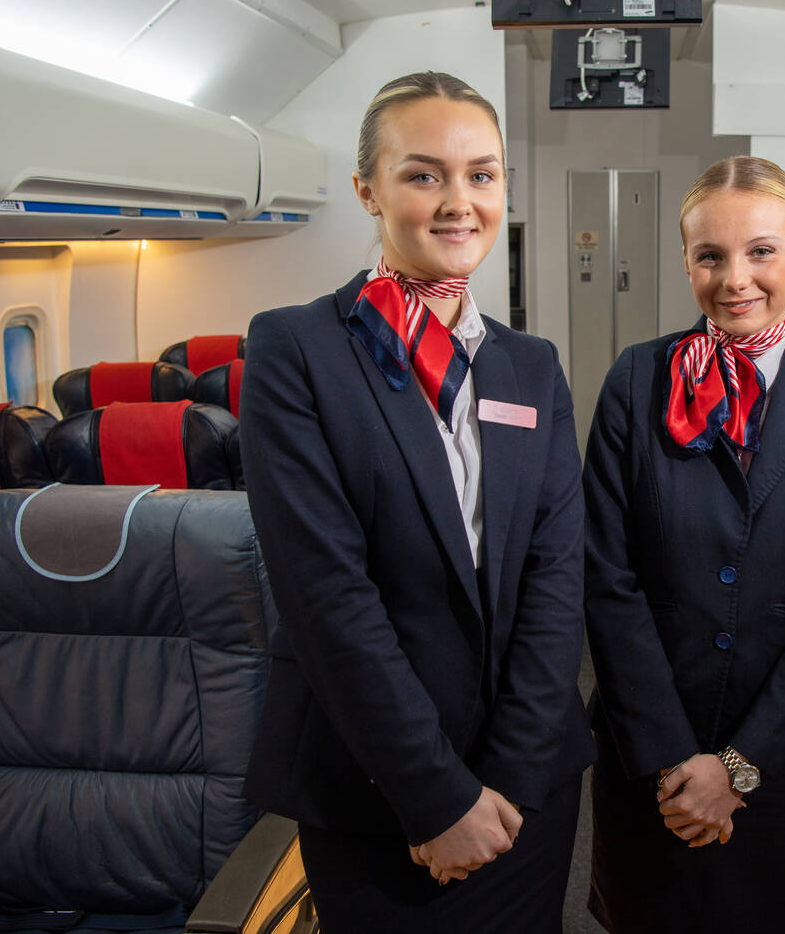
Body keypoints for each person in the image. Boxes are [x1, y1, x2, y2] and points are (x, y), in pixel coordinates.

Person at [238, 71, 593, 933]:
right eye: (424, 174)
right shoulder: (297, 350)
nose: (458, 202)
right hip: (378, 791)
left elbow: (555, 578)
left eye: (482, 174)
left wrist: (505, 781)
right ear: (368, 189)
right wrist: (437, 799)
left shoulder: (529, 364)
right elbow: (327, 598)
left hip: (527, 791)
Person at [583, 155, 785, 932]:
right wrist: (674, 763)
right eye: (710, 256)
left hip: (772, 755)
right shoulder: (636, 381)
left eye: (761, 251)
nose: (735, 278)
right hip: (647, 749)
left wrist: (737, 770)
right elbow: (605, 583)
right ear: (686, 261)